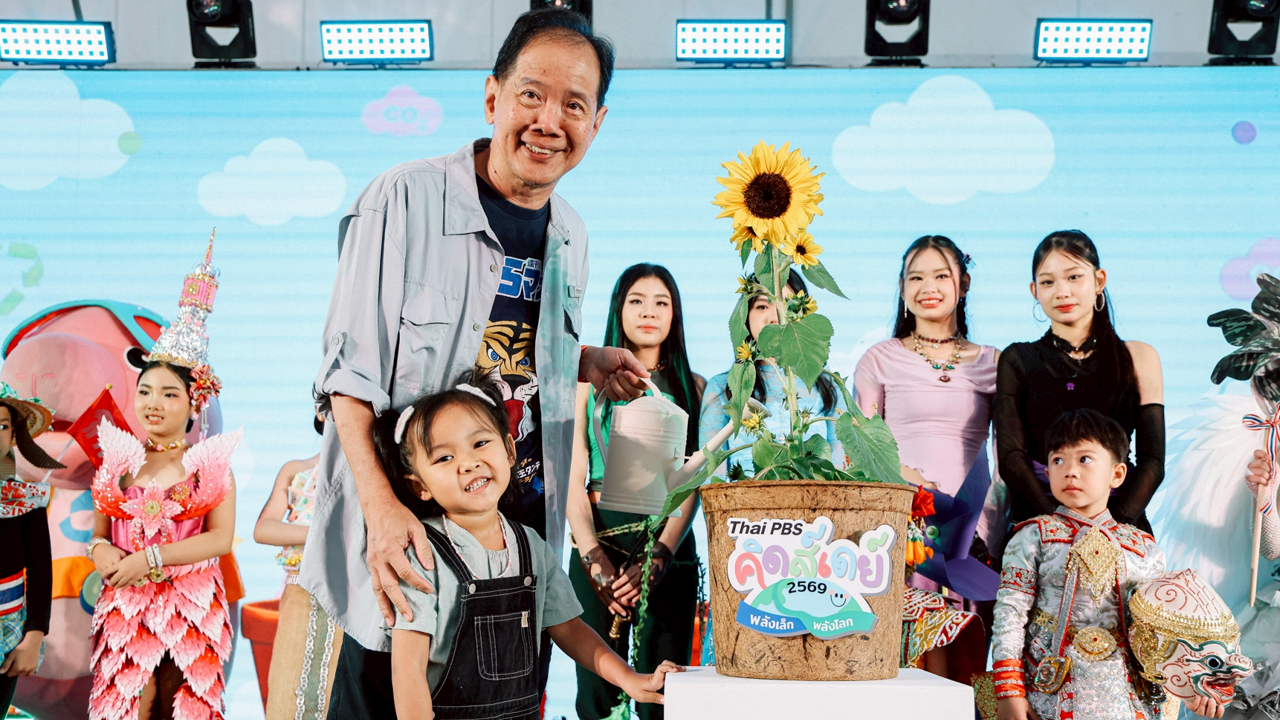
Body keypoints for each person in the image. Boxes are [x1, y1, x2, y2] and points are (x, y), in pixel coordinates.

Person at [299, 8, 650, 716]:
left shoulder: (572, 234)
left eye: (573, 105)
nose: (548, 121)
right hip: (409, 541)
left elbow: (506, 347)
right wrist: (383, 511)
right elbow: (347, 378)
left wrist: (581, 360)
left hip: (515, 549)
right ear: (493, 97)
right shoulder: (402, 199)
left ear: (597, 123)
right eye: (531, 95)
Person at [385, 379, 681, 719]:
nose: (468, 463)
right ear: (419, 486)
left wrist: (629, 679)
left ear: (510, 451)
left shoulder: (531, 546)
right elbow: (407, 672)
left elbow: (570, 629)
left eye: (480, 443)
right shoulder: (422, 555)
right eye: (444, 457)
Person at [86, 242, 239, 720]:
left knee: (180, 703)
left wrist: (150, 559)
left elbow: (220, 538)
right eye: (146, 391)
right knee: (127, 702)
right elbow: (98, 533)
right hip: (124, 606)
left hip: (192, 608)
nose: (154, 403)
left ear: (194, 403)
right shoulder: (119, 460)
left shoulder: (208, 464)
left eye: (170, 394)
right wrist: (102, 553)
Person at [566, 264, 703, 720]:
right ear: (618, 309)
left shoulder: (696, 387)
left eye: (662, 303)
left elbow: (694, 482)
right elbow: (572, 474)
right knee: (597, 693)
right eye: (637, 301)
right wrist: (592, 557)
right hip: (598, 536)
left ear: (675, 314)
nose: (649, 312)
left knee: (666, 692)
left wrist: (660, 556)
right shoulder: (585, 386)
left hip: (669, 543)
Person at [854, 236, 993, 682]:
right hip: (901, 536)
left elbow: (1009, 452)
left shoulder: (993, 362)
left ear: (963, 284)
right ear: (901, 287)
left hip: (972, 543)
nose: (927, 287)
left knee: (966, 674)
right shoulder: (879, 359)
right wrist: (906, 483)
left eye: (941, 276)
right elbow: (859, 447)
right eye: (916, 277)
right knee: (904, 671)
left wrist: (985, 530)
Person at [992, 409, 1186, 720]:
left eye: (1084, 459)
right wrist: (1009, 691)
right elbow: (1010, 613)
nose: (1070, 471)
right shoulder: (1033, 537)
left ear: (1117, 474)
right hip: (1048, 690)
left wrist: (1191, 683)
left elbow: (1159, 630)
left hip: (1127, 693)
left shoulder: (1143, 548)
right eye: (1058, 460)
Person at [994, 230, 1164, 534]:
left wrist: (1111, 527)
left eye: (1074, 277)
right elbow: (1011, 458)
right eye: (1048, 282)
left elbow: (1152, 461)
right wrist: (1057, 526)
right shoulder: (1017, 358)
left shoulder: (1139, 357)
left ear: (1099, 280)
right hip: (1039, 525)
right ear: (1034, 290)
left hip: (1120, 524)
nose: (1062, 291)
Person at [699, 272, 843, 475]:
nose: (774, 318)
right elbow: (711, 474)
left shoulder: (828, 386)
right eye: (762, 306)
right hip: (744, 495)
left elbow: (839, 470)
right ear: (745, 316)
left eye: (787, 304)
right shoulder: (723, 387)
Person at [254, 414, 341, 720]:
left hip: (350, 595)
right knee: (288, 686)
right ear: (321, 410)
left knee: (340, 691)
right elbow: (264, 529)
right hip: (300, 591)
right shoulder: (297, 471)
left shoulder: (373, 477)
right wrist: (322, 534)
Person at [0, 383, 63, 712]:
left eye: (2, 426)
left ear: (14, 435)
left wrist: (34, 635)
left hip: (6, 632)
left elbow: (40, 571)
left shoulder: (27, 500)